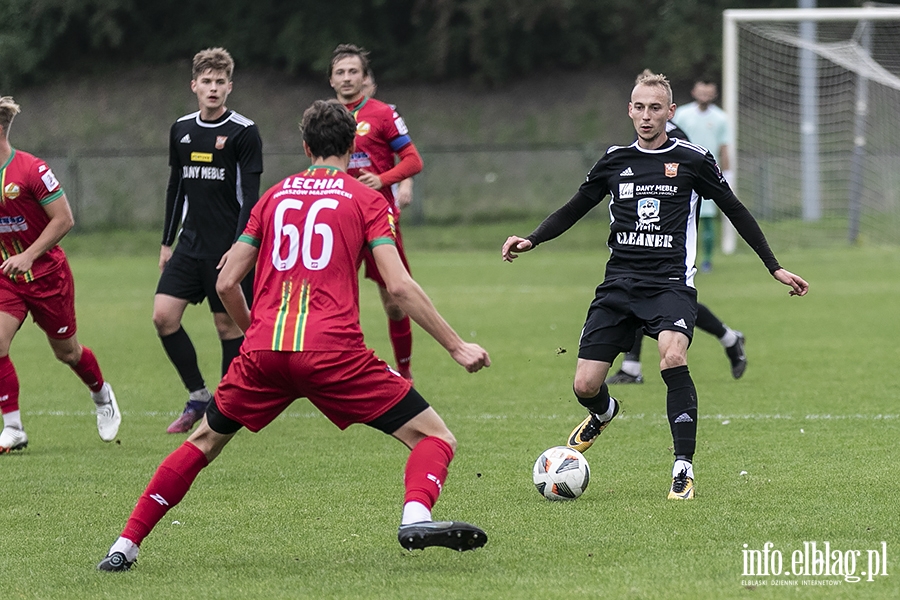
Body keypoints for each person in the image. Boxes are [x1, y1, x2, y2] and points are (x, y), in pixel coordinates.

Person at [97, 99, 489, 571]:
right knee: (434, 437)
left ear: (306, 146)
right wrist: (456, 345)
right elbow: (399, 285)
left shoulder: (274, 197)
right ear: (352, 146)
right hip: (334, 353)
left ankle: (125, 545)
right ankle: (414, 516)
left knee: (202, 442)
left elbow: (225, 283)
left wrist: (253, 335)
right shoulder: (366, 200)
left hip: (263, 351)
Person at [501, 72, 808, 500]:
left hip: (669, 285)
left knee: (671, 356)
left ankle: (682, 467)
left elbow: (736, 210)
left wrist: (772, 266)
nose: (646, 116)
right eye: (639, 107)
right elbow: (575, 207)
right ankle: (604, 413)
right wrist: (533, 238)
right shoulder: (613, 160)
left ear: (670, 112)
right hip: (618, 285)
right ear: (630, 110)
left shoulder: (694, 160)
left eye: (655, 108)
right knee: (585, 386)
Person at [0, 96, 121, 452]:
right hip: (6, 276)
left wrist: (29, 255)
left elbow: (65, 219)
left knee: (67, 353)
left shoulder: (31, 169)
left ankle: (102, 395)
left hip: (47, 275)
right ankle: (13, 427)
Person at [153, 47, 263, 434]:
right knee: (163, 317)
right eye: (207, 82)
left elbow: (251, 196)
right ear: (194, 86)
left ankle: (226, 406)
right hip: (189, 246)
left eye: (220, 82)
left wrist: (240, 246)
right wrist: (168, 242)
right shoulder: (181, 129)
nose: (213, 88)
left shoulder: (243, 132)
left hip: (228, 247)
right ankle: (198, 395)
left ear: (229, 87)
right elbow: (176, 187)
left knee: (227, 327)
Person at [606, 119, 746, 384]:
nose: (644, 112)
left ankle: (728, 337)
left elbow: (685, 172)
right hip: (643, 237)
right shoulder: (641, 132)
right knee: (634, 291)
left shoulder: (673, 134)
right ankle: (632, 367)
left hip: (673, 240)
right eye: (638, 103)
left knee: (671, 300)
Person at [330, 43, 423, 383]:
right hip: (339, 220)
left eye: (353, 71)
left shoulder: (383, 114)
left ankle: (405, 372)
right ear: (331, 80)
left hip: (379, 220)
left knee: (395, 299)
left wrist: (382, 179)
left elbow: (414, 160)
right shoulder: (324, 117)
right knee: (336, 297)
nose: (347, 78)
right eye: (340, 72)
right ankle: (342, 367)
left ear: (365, 77)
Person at [674, 79, 731, 272]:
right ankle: (681, 258)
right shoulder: (682, 114)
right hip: (682, 173)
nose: (704, 96)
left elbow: (724, 148)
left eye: (708, 92)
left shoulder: (721, 118)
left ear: (714, 94)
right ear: (694, 92)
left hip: (707, 174)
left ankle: (707, 259)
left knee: (706, 220)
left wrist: (727, 174)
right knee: (681, 218)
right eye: (701, 92)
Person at [362, 69, 415, 213]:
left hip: (383, 192)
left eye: (364, 87)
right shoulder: (336, 115)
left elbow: (407, 154)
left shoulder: (387, 114)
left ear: (373, 89)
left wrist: (406, 182)